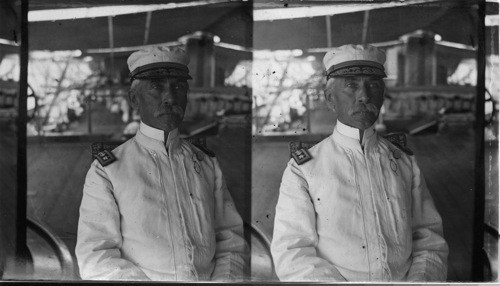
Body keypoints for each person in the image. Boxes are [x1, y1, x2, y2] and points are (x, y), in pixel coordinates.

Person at [270, 45, 448, 282]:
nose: (364, 95)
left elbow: (429, 240)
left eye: (373, 85)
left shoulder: (404, 161)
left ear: (383, 94)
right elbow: (292, 253)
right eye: (351, 85)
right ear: (330, 98)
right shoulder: (304, 170)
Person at [76, 46, 248, 281]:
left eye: (178, 87)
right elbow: (95, 256)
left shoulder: (205, 163)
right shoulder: (108, 170)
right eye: (156, 87)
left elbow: (231, 242)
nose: (169, 97)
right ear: (134, 99)